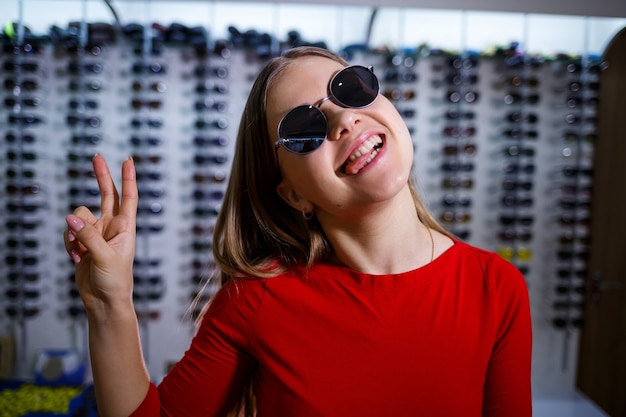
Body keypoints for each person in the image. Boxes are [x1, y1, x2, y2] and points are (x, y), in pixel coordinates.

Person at [63, 46, 532, 417]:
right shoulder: (258, 300)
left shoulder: (497, 287)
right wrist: (109, 305)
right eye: (305, 127)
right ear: (292, 195)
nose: (345, 119)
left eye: (350, 88)